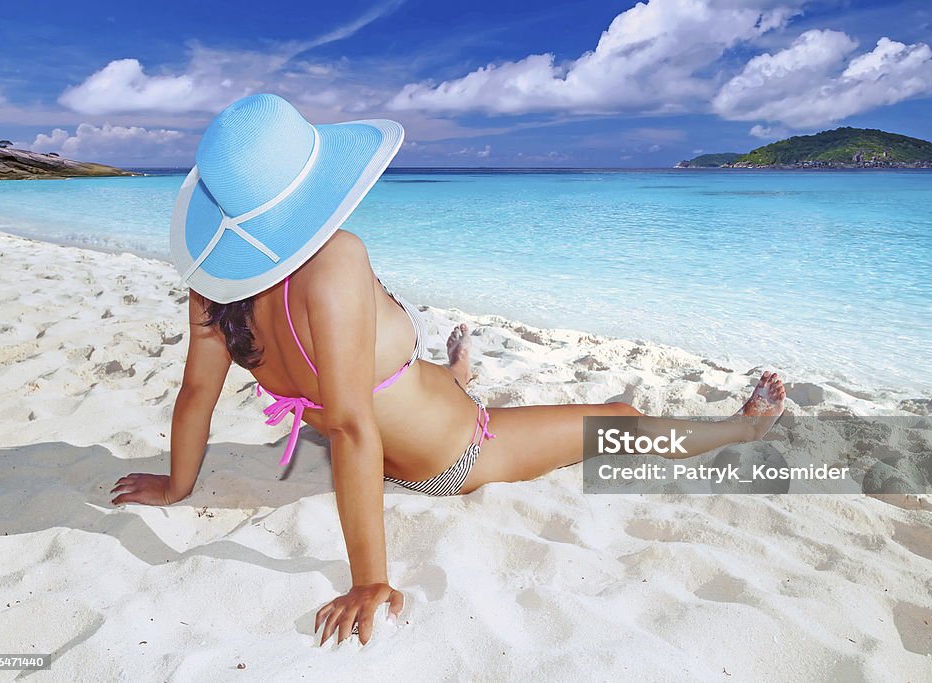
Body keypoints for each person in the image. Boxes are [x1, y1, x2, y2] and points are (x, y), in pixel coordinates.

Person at [109, 94, 787, 646]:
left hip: (387, 436)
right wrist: (371, 581)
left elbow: (198, 392)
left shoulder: (218, 284)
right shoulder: (334, 262)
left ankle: (452, 372)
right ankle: (742, 430)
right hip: (453, 454)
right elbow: (350, 426)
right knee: (619, 419)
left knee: (415, 375)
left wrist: (178, 483)